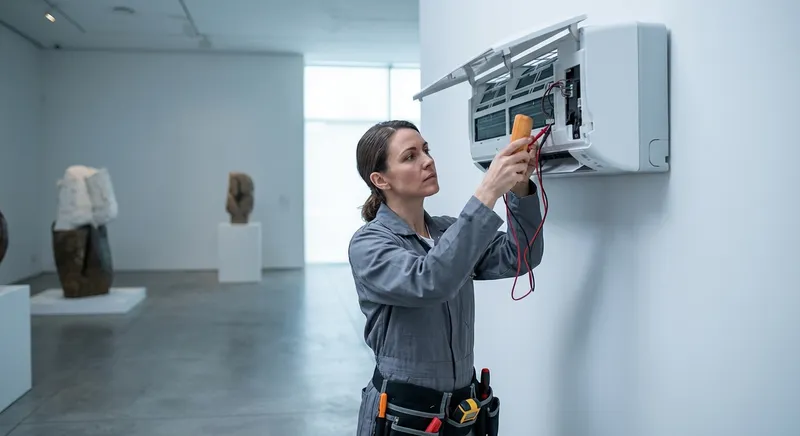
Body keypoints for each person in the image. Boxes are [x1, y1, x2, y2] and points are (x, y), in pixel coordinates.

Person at [348, 120, 545, 436]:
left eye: (425, 150)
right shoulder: (369, 244)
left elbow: (520, 256)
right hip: (403, 417)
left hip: (461, 413)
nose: (427, 160)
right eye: (410, 156)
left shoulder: (448, 231)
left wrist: (519, 186)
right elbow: (429, 282)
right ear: (380, 179)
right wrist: (487, 192)